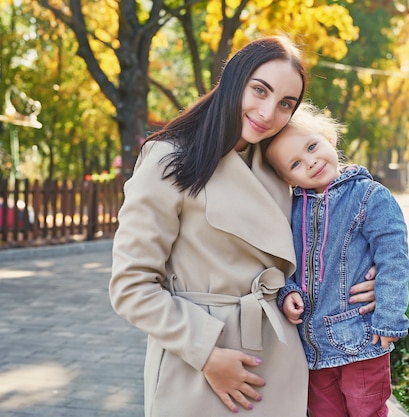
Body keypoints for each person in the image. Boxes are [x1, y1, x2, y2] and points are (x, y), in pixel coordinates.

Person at [109, 36, 377, 417]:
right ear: (234, 80)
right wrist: (206, 356)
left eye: (286, 104)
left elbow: (332, 228)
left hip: (281, 359)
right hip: (200, 364)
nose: (268, 113)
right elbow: (130, 286)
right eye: (259, 90)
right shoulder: (169, 159)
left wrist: (369, 276)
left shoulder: (280, 164)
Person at [265, 103, 409, 417]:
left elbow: (394, 261)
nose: (311, 161)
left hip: (360, 341)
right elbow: (285, 262)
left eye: (312, 146)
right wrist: (287, 291)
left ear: (328, 138)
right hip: (312, 349)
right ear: (285, 178)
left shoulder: (369, 196)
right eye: (296, 163)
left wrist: (390, 320)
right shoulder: (291, 210)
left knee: (367, 411)